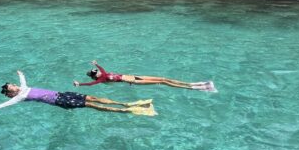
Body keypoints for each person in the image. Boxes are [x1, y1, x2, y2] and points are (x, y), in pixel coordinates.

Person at [0, 70, 156, 118]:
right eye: (11, 87)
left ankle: (128, 104)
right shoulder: (20, 97)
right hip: (61, 101)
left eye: (12, 84)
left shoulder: (23, 88)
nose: (13, 86)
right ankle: (130, 111)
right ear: (11, 93)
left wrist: (20, 75)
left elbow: (22, 81)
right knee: (93, 105)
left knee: (94, 98)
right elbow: (1, 106)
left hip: (63, 93)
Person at [73, 60, 217, 93]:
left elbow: (102, 69)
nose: (97, 71)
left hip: (134, 76)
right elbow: (91, 85)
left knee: (163, 78)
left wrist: (97, 64)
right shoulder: (101, 79)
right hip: (134, 82)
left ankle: (191, 83)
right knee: (163, 82)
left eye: (95, 70)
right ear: (95, 75)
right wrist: (80, 84)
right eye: (95, 71)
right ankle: (196, 88)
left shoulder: (103, 73)